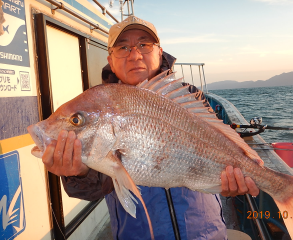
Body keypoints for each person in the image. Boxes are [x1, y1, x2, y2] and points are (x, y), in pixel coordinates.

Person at [42, 16, 259, 239]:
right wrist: (78, 173)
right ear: (111, 59)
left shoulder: (189, 96)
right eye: (123, 47)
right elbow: (90, 190)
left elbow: (219, 145)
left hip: (206, 233)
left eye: (144, 45)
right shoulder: (99, 105)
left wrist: (233, 176)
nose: (135, 55)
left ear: (159, 51)